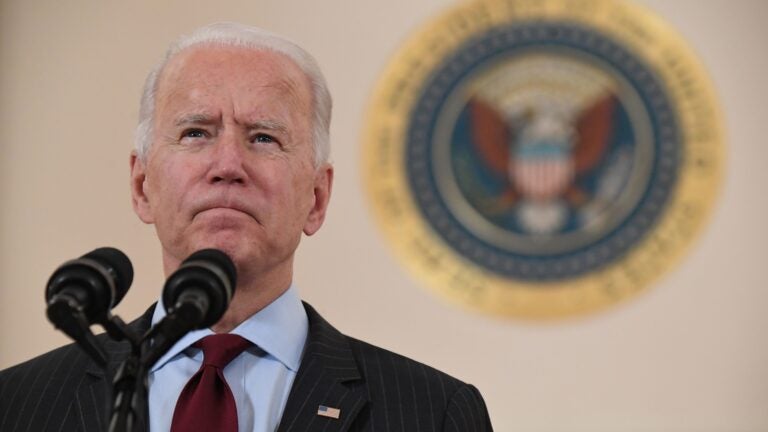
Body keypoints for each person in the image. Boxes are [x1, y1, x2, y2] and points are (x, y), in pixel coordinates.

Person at [0, 22, 493, 431]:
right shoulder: (18, 404)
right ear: (141, 185)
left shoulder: (433, 413)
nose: (228, 164)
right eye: (196, 133)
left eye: (263, 137)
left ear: (317, 198)